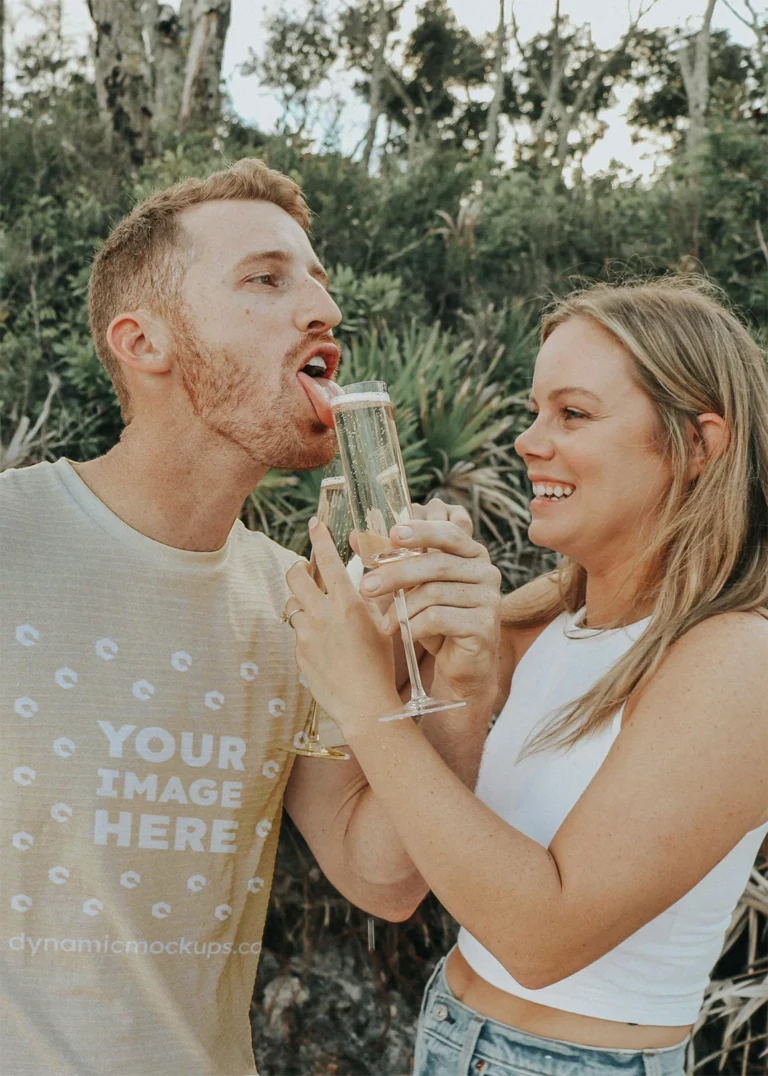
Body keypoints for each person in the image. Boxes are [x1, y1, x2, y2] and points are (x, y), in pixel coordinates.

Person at [0, 158, 501, 1076]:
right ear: (142, 341)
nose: (323, 310)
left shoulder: (296, 603)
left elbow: (382, 877)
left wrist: (463, 684)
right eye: (266, 280)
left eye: (318, 280)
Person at [286, 278, 768, 1076]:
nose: (529, 441)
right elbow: (381, 876)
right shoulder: (543, 617)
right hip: (448, 1028)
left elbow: (542, 937)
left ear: (698, 445)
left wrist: (368, 702)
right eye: (536, 410)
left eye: (572, 413)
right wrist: (445, 672)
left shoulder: (738, 658)